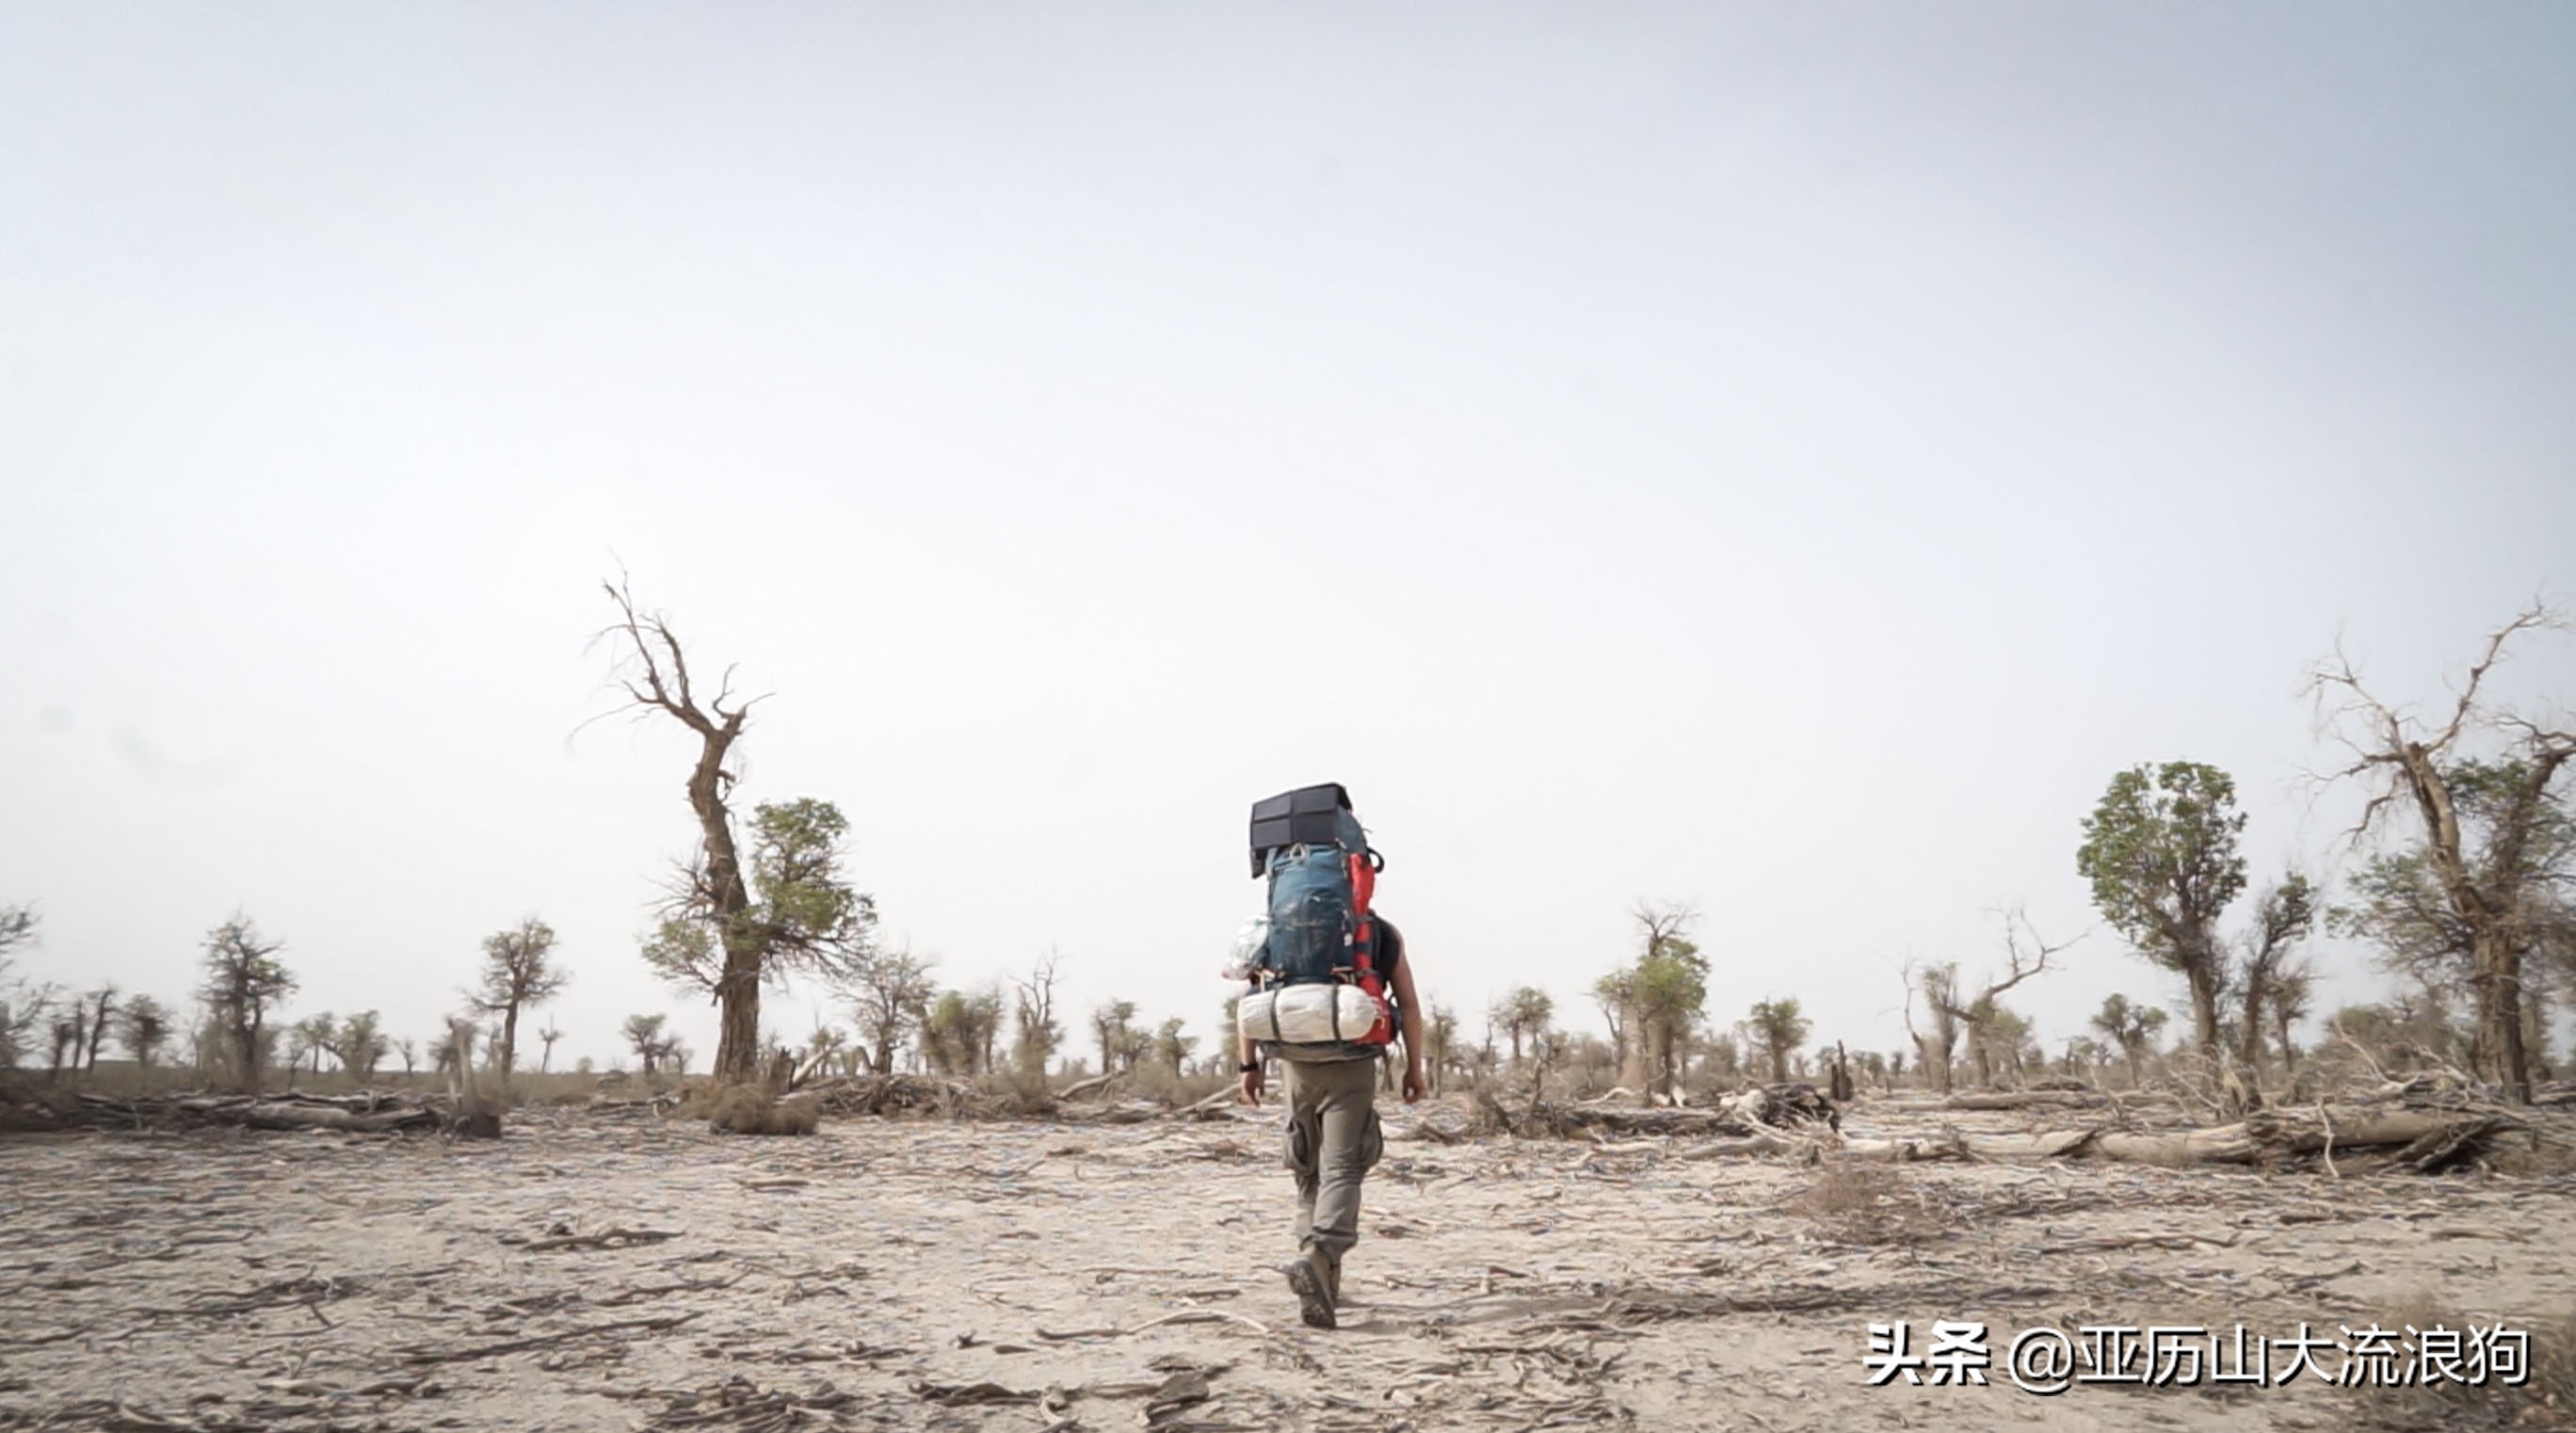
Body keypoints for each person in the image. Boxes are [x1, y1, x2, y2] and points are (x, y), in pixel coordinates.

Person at [1236, 915, 1426, 1330]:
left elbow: (1251, 995)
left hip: (1294, 1061)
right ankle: (1319, 1257)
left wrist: (1247, 1064)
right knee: (1342, 1166)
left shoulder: (1278, 925)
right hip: (1351, 1063)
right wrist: (1415, 1068)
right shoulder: (1379, 932)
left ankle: (1323, 1278)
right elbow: (1408, 1004)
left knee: (1308, 1169)